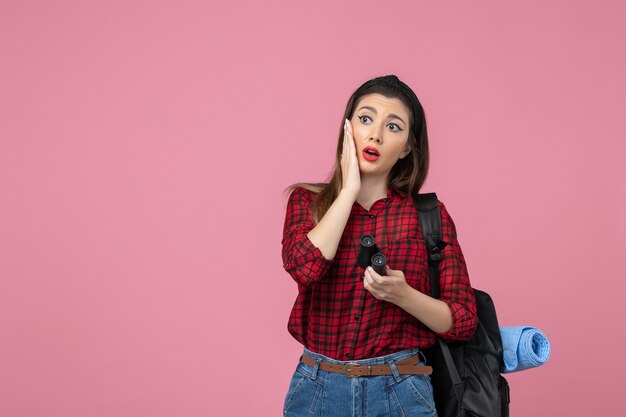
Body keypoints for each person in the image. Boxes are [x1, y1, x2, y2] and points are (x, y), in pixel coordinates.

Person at [280, 74, 478, 417]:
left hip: (401, 389)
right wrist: (347, 192)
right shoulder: (308, 202)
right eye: (366, 119)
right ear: (348, 128)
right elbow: (304, 267)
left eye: (394, 126)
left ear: (407, 147)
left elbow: (462, 320)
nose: (375, 134)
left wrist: (403, 295)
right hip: (318, 388)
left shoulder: (428, 215)